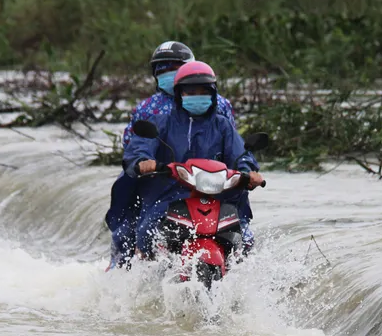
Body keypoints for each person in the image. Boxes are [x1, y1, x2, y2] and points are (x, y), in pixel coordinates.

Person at [104, 41, 244, 269]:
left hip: (210, 183)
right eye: (161, 69)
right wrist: (143, 162)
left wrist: (245, 170)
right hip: (163, 184)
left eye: (174, 67)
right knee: (131, 232)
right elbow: (134, 146)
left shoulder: (219, 109)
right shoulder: (152, 111)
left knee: (242, 234)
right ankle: (125, 276)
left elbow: (234, 148)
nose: (168, 73)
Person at [123, 61, 265, 258]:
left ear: (213, 93)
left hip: (219, 197)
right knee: (147, 235)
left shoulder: (222, 126)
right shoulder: (161, 123)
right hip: (170, 197)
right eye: (190, 91)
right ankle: (147, 281)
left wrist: (249, 172)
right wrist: (143, 161)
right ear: (179, 94)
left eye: (203, 91)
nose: (197, 96)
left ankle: (245, 284)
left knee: (246, 243)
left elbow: (241, 154)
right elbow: (140, 146)